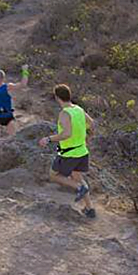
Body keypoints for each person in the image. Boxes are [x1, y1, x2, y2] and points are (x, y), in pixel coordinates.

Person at [38, 83, 96, 217]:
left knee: (53, 175)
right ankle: (90, 209)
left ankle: (79, 188)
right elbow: (92, 123)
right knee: (77, 177)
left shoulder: (64, 113)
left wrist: (48, 139)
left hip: (69, 153)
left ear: (57, 98)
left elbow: (66, 134)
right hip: (82, 151)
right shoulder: (78, 109)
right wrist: (86, 136)